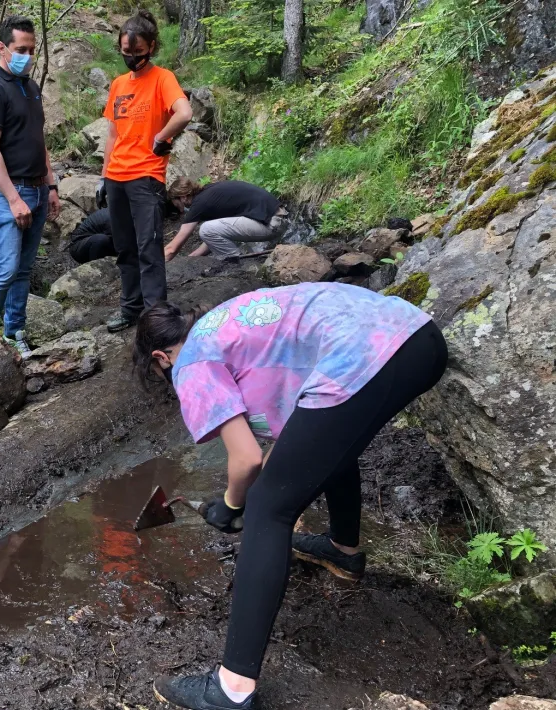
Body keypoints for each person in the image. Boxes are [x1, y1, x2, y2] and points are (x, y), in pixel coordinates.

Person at [133, 283, 447, 709]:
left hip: (362, 355)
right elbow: (298, 439)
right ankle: (342, 549)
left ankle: (231, 689)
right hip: (417, 338)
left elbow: (246, 460)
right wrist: (240, 496)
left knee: (267, 509)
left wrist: (232, 506)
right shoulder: (228, 324)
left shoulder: (191, 359)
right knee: (334, 446)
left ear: (160, 358)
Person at [97, 10, 193, 333]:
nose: (132, 58)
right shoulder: (118, 84)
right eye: (126, 52)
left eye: (138, 53)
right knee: (124, 247)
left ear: (151, 47)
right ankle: (130, 308)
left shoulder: (163, 78)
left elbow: (184, 112)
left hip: (146, 176)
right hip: (116, 177)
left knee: (148, 247)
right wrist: (103, 174)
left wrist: (161, 137)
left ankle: (155, 316)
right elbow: (112, 133)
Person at [0, 14, 61, 356]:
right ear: (1, 48)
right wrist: (12, 198)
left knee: (24, 268)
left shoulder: (30, 87)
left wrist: (51, 187)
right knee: (6, 266)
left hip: (38, 187)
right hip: (11, 191)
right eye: (20, 49)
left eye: (32, 49)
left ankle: (14, 331)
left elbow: (39, 141)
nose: (27, 55)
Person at [164, 178, 289, 262]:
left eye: (178, 205)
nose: (181, 210)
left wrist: (157, 265)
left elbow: (172, 249)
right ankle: (238, 261)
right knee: (208, 230)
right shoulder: (209, 193)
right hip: (279, 218)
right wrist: (191, 259)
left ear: (183, 197)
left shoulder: (200, 203)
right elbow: (214, 238)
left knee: (206, 228)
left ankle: (237, 266)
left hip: (272, 223)